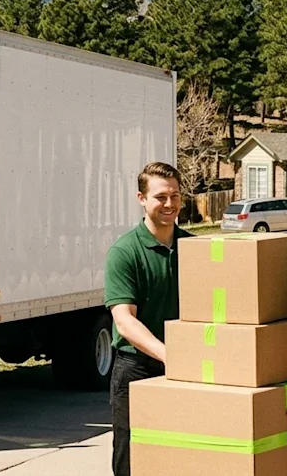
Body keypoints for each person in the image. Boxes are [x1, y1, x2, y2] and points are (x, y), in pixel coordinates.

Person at [104, 161, 193, 476]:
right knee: (133, 459)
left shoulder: (194, 247)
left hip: (187, 368)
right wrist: (170, 355)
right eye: (160, 197)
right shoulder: (125, 252)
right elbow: (125, 322)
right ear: (141, 198)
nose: (170, 204)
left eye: (175, 196)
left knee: (180, 456)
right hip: (136, 369)